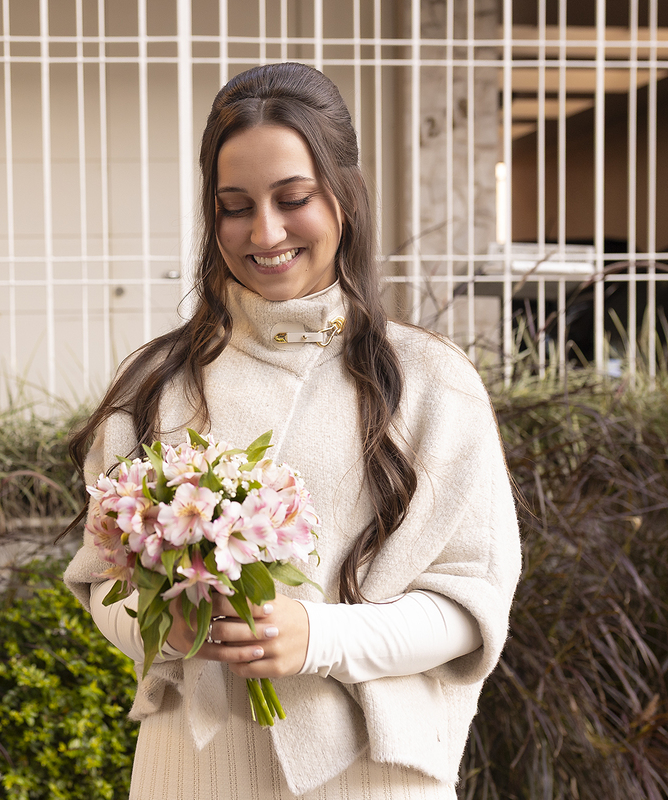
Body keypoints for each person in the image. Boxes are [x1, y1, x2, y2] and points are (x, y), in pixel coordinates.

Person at [63, 63, 521, 799]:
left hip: (372, 776)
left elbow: (472, 603)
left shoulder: (432, 381)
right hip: (191, 770)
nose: (265, 232)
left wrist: (319, 637)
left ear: (345, 193)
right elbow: (104, 579)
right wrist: (168, 628)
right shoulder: (154, 384)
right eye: (234, 206)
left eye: (293, 198)